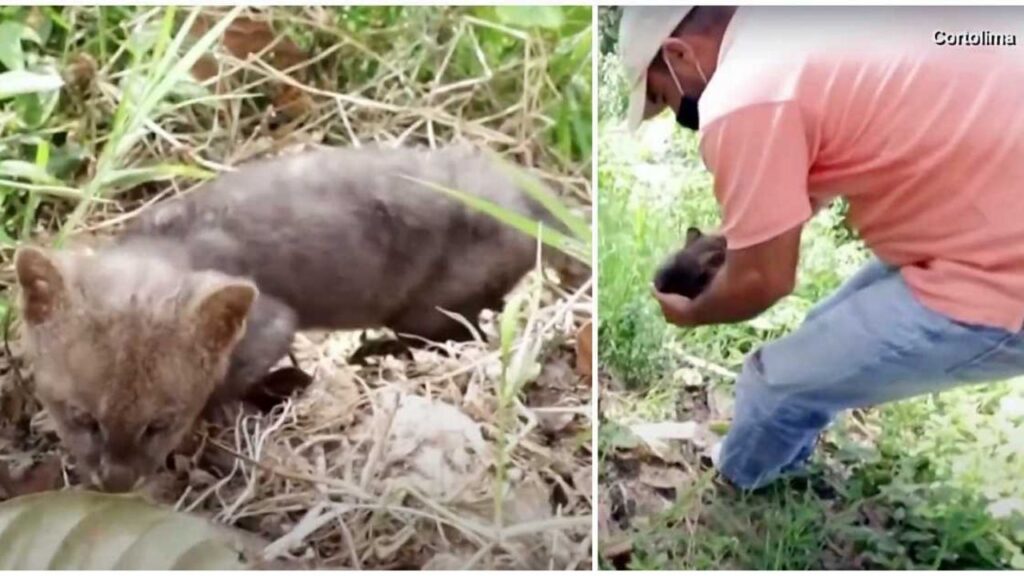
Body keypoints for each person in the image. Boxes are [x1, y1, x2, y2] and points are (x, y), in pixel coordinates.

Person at [619, 5, 1024, 489]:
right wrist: (746, 235)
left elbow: (763, 281)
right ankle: (788, 452)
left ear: (678, 52)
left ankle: (736, 486)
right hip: (978, 227)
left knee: (773, 384)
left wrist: (692, 313)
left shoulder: (744, 94)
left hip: (1000, 279)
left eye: (664, 95)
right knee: (821, 332)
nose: (676, 111)